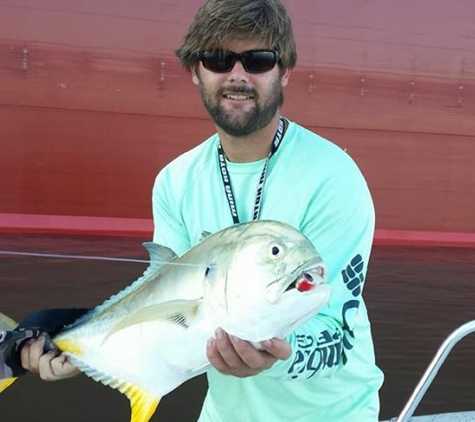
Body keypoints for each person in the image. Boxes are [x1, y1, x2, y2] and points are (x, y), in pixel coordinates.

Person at [21, 0, 384, 420]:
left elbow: (336, 337)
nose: (237, 75)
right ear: (195, 71)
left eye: (258, 60)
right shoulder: (175, 182)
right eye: (217, 58)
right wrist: (72, 346)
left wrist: (275, 353)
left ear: (284, 71)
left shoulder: (332, 178)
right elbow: (165, 307)